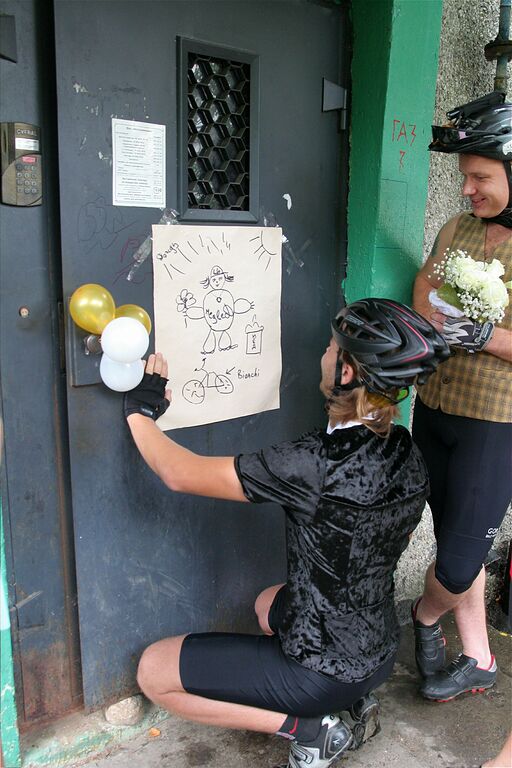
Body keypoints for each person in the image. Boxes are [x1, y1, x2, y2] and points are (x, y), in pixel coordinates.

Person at [123, 298, 448, 768]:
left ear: (346, 372)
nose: (323, 352)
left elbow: (178, 472)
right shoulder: (405, 450)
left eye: (330, 347)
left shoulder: (313, 462)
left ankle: (309, 730)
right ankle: (353, 699)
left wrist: (140, 412)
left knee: (154, 672)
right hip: (379, 651)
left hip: (321, 670)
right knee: (265, 603)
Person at [410, 91, 512, 703]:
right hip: (435, 408)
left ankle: (424, 615)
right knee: (451, 533)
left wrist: (485, 336)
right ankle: (478, 656)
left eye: (480, 178)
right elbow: (425, 282)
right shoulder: (458, 228)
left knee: (456, 560)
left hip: (495, 422)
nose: (467, 189)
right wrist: (433, 314)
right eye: (464, 177)